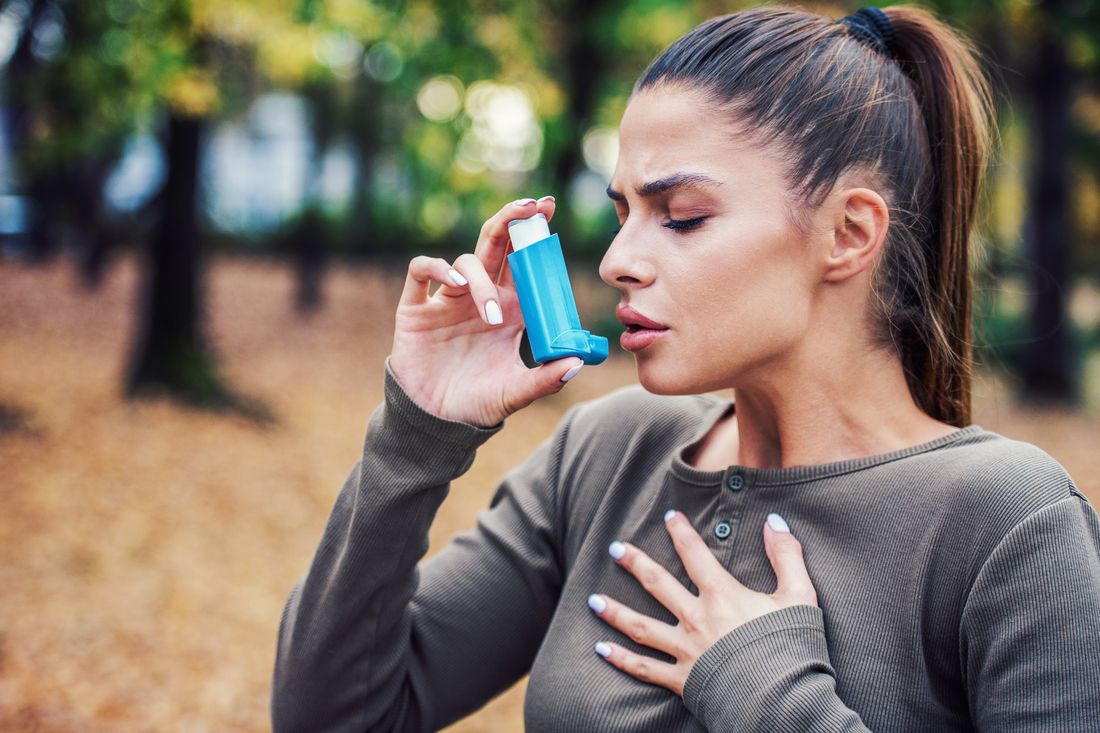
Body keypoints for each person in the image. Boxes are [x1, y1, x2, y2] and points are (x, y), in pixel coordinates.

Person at [271, 6, 1100, 732]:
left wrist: (765, 691)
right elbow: (334, 715)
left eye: (684, 216)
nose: (620, 260)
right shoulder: (606, 453)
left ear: (848, 233)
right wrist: (416, 431)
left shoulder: (1009, 522)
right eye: (623, 211)